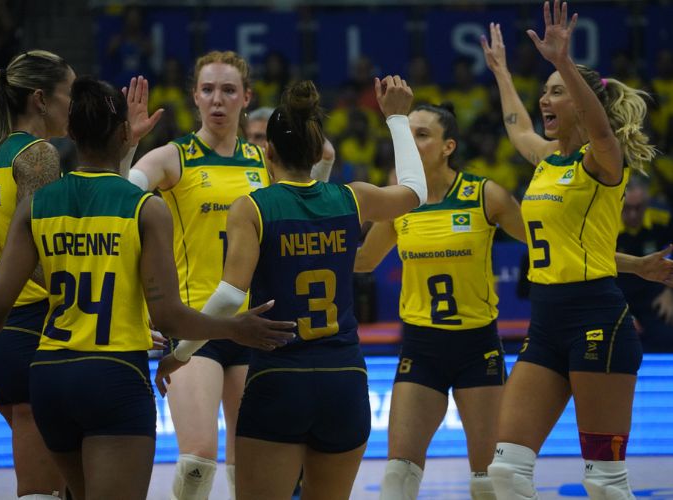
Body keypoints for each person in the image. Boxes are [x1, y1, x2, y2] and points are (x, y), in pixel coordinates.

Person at [0, 76, 296, 500]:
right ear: (125, 134)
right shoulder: (145, 207)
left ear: (71, 132)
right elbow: (168, 317)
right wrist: (235, 328)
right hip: (114, 376)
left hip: (50, 377)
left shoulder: (37, 205)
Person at [154, 76, 427, 500]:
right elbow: (416, 192)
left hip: (280, 379)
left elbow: (228, 297)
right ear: (319, 152)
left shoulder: (254, 206)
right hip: (345, 378)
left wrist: (178, 355)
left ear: (268, 152)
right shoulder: (351, 197)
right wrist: (395, 118)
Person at [127, 50, 332, 500]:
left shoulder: (266, 162)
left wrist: (320, 152)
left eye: (227, 90)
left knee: (252, 470)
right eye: (207, 90)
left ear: (246, 98)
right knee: (199, 461)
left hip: (255, 327)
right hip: (195, 325)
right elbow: (119, 199)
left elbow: (313, 192)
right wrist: (128, 145)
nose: (217, 100)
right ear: (194, 98)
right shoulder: (171, 157)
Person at [480, 2, 659, 498]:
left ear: (581, 103)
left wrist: (563, 62)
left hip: (597, 317)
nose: (546, 100)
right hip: (546, 322)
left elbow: (601, 130)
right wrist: (502, 73)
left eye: (556, 92)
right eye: (545, 92)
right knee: (505, 472)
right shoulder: (545, 161)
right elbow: (517, 125)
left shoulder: (601, 162)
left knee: (603, 482)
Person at [354, 102, 525, 500]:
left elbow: (545, 242)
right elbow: (363, 259)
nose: (411, 142)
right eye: (407, 133)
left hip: (477, 346)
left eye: (422, 134)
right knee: (397, 476)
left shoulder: (486, 195)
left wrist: (628, 264)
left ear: (448, 146)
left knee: (488, 482)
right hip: (421, 347)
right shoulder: (398, 203)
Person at [0, 50, 75, 499]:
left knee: (63, 485)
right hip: (29, 331)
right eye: (69, 94)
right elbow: (42, 256)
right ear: (41, 99)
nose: (74, 105)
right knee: (43, 493)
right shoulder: (39, 154)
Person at [617, 175, 673, 352]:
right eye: (627, 208)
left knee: (667, 336)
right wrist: (620, 310)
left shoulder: (662, 217)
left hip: (654, 294)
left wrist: (670, 293)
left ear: (647, 203)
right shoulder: (605, 225)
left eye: (638, 208)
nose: (633, 214)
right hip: (617, 294)